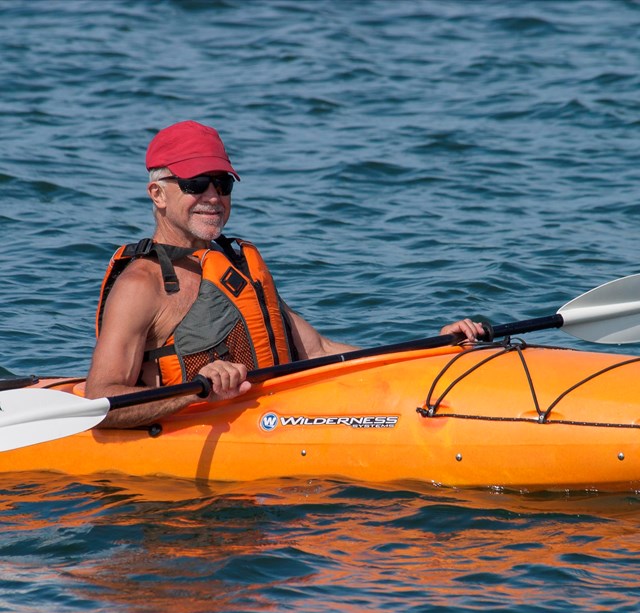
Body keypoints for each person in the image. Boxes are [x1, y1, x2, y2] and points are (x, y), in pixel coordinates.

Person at [85, 120, 483, 427]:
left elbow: (319, 351)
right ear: (158, 193)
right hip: (191, 441)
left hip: (271, 420)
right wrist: (193, 394)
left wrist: (431, 350)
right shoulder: (143, 284)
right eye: (195, 184)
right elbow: (100, 402)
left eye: (222, 184)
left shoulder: (234, 267)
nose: (213, 197)